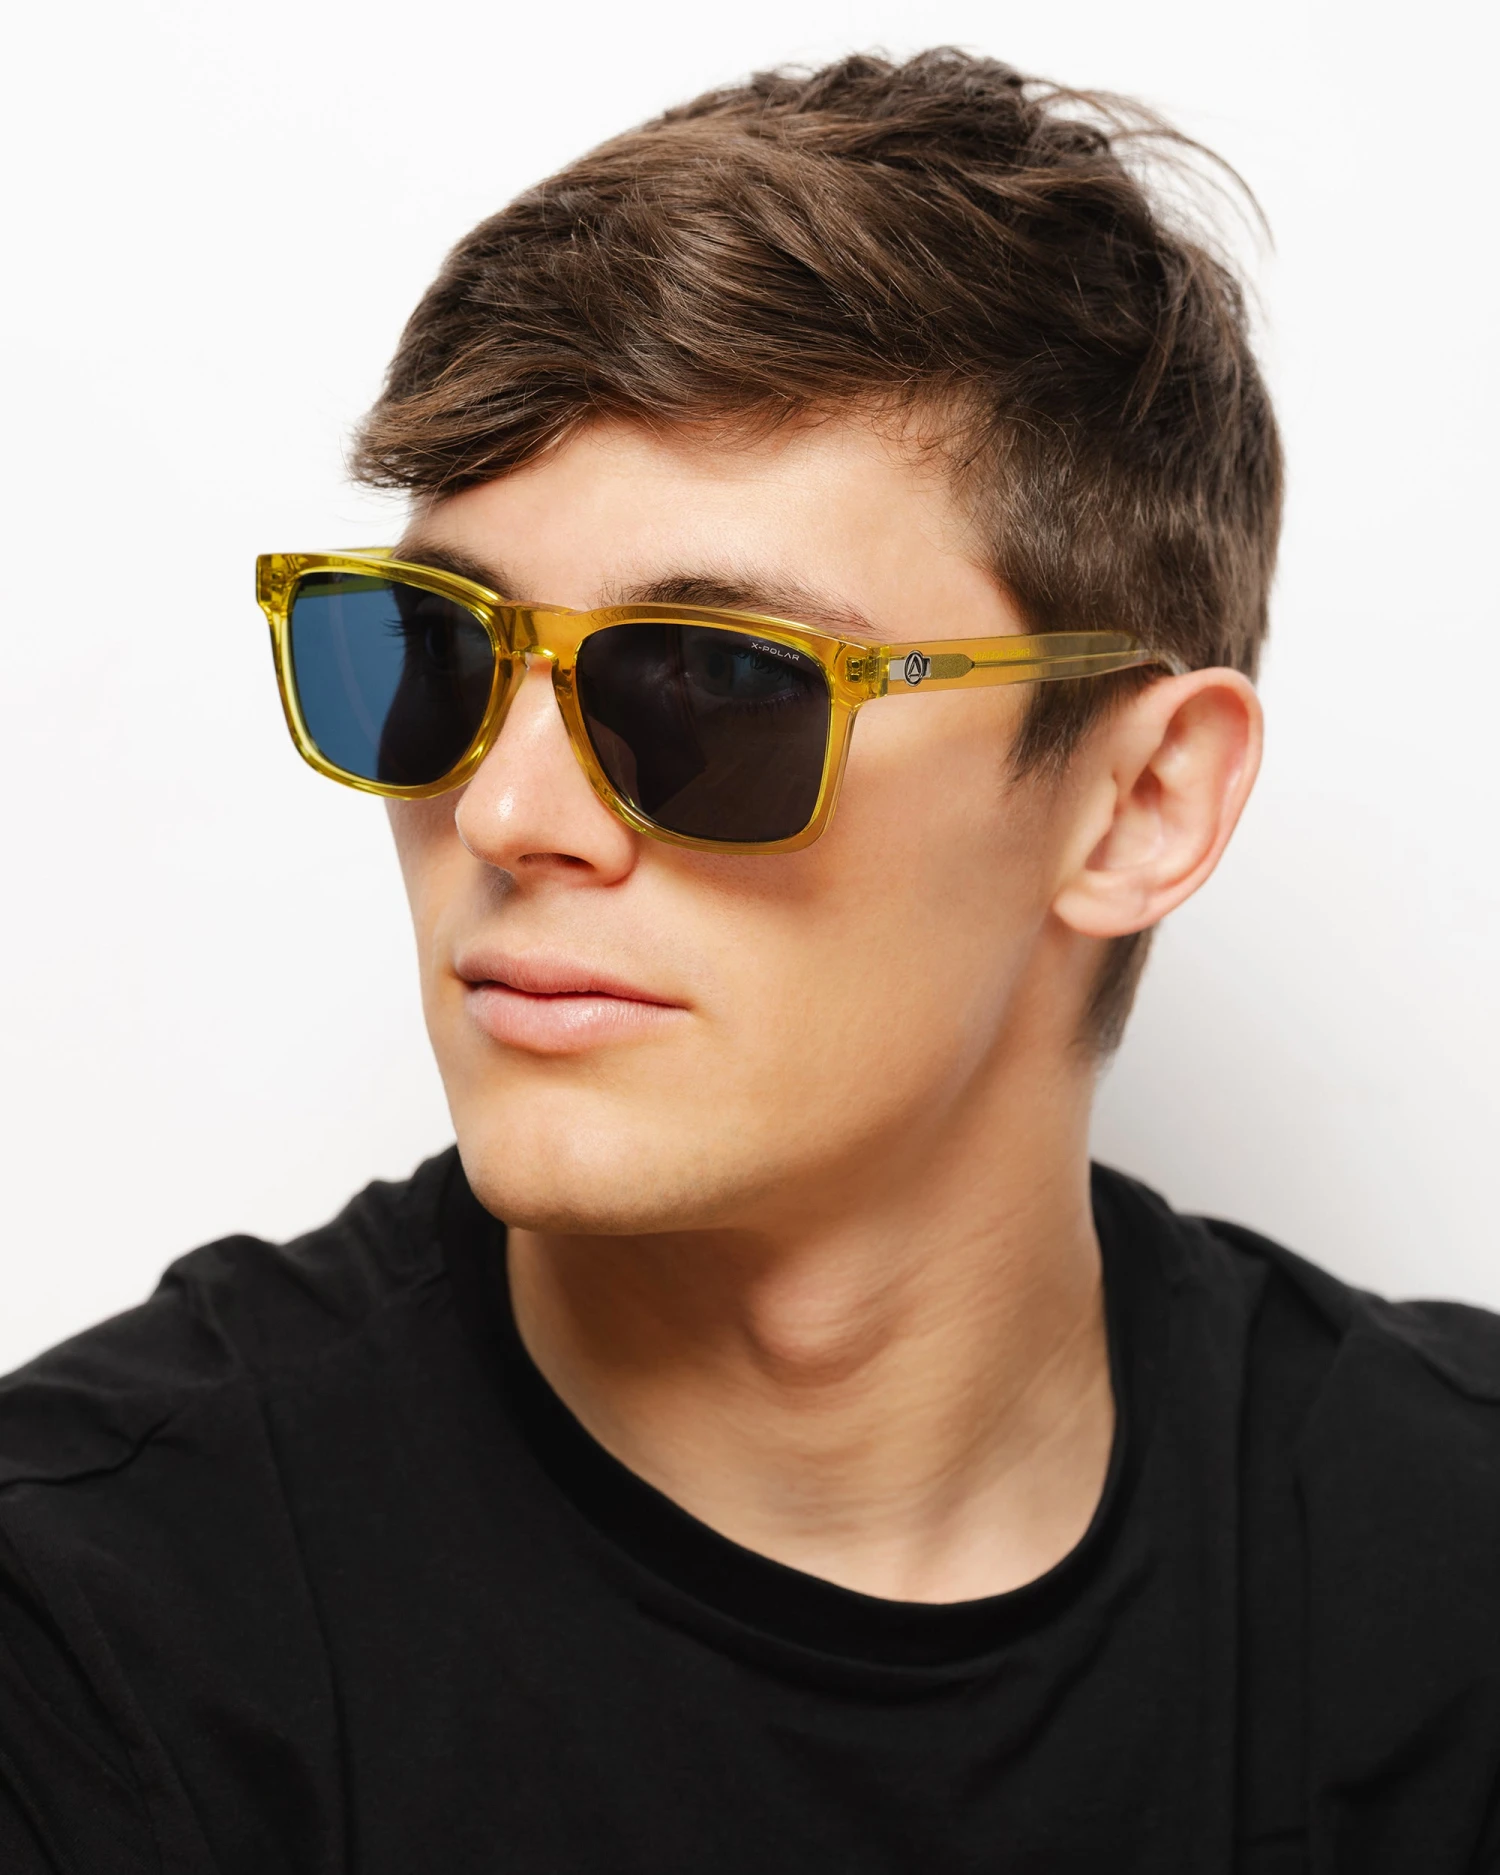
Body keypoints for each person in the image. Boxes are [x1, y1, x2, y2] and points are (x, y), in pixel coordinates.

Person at [2, 48, 1497, 1875]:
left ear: (1137, 805)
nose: (507, 814)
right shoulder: (91, 1632)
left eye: (716, 682)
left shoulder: (1451, 1579)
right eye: (440, 653)